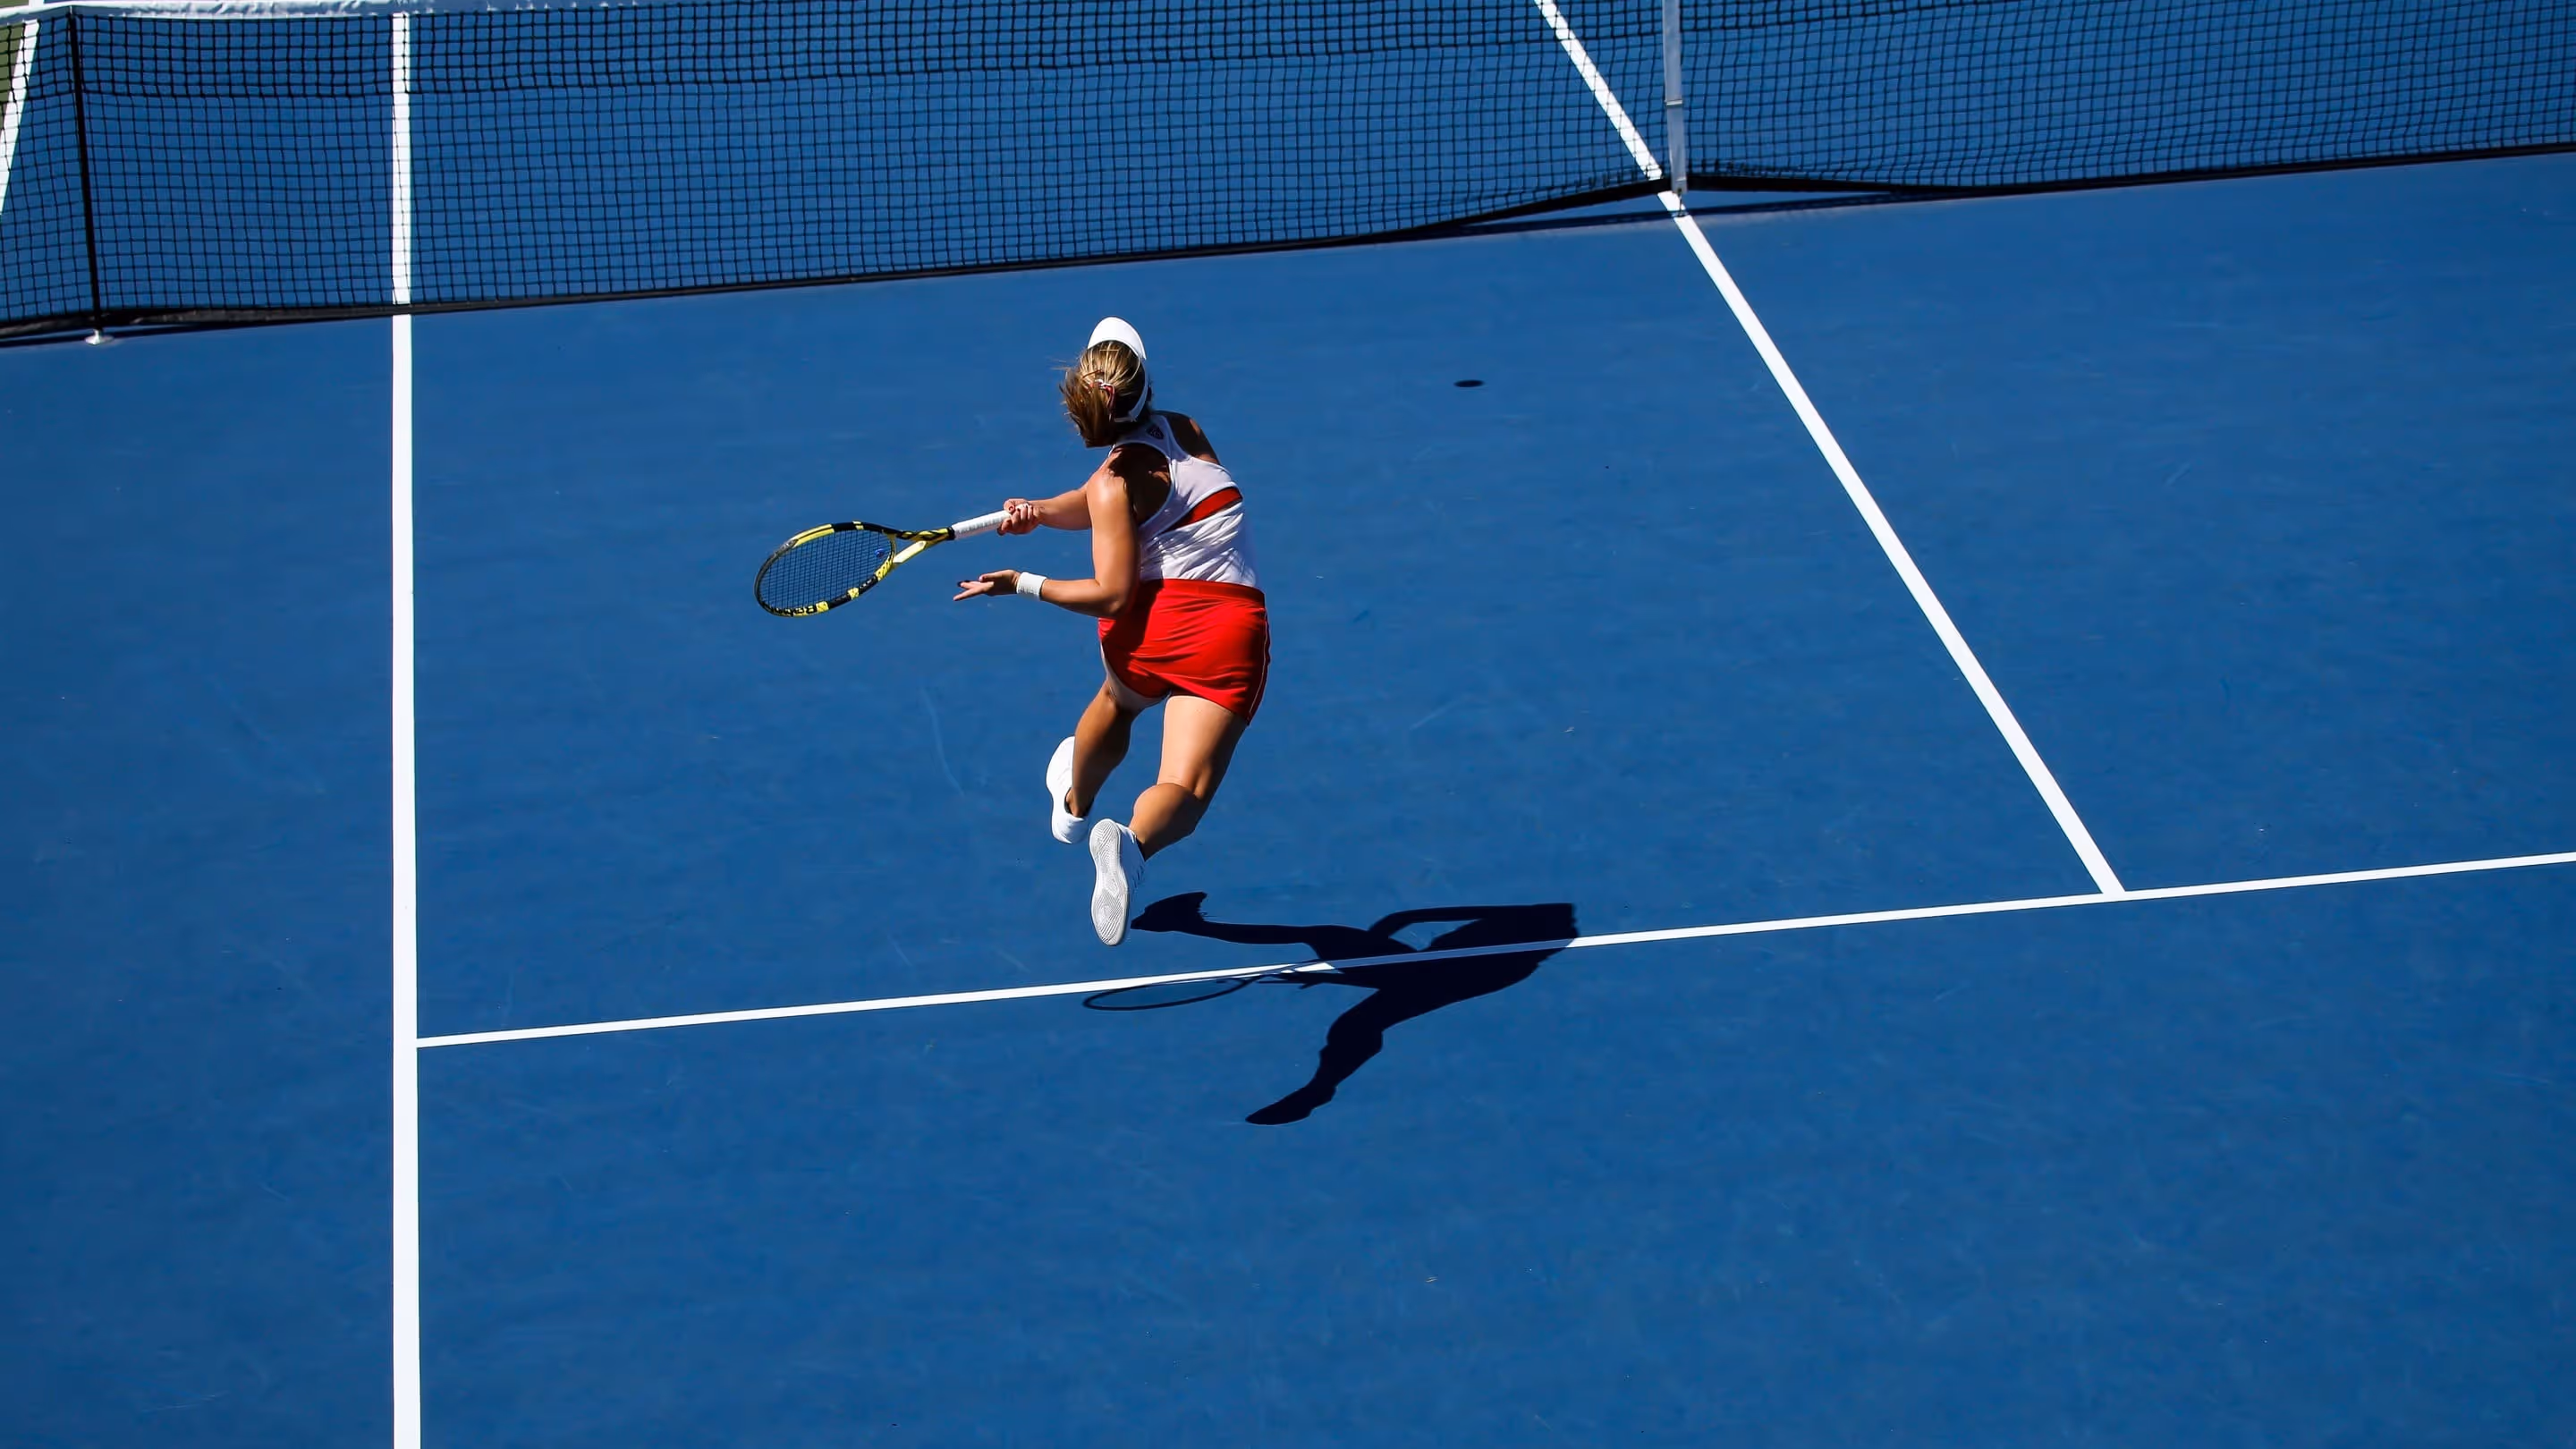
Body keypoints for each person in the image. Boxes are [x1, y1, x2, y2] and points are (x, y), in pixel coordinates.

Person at [954, 318, 1268, 945]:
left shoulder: (1110, 486)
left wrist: (1024, 581)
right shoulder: (1186, 430)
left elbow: (1113, 593)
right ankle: (1130, 844)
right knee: (1186, 786)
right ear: (1142, 387)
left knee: (1118, 701)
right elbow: (1104, 502)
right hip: (1225, 632)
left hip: (1149, 628)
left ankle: (1074, 809)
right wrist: (1041, 513)